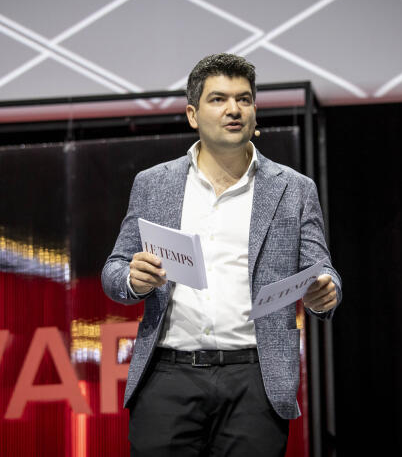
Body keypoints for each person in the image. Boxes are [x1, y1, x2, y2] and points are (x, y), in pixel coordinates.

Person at [102, 53, 341, 456]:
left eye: (244, 99)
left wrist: (324, 293)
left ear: (254, 111)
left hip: (255, 379)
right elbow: (114, 269)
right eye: (218, 99)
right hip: (168, 376)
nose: (234, 109)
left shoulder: (294, 189)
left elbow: (325, 273)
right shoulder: (153, 184)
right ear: (192, 115)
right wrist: (132, 279)